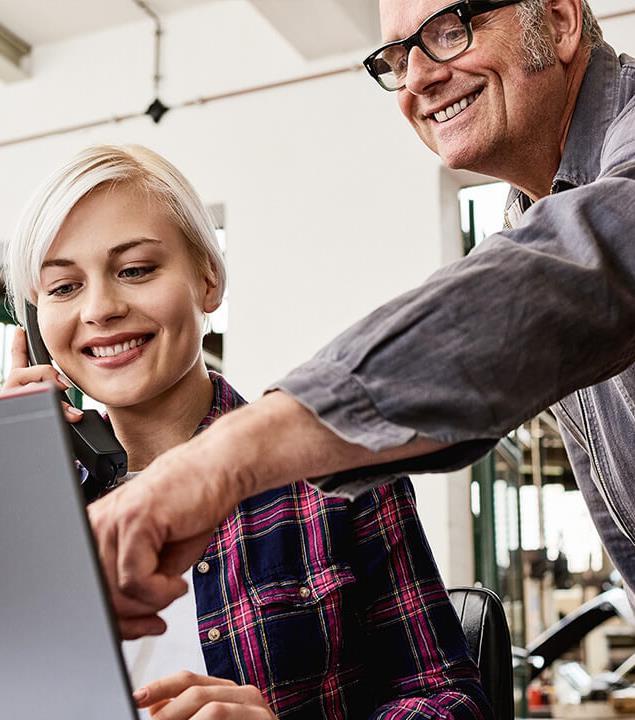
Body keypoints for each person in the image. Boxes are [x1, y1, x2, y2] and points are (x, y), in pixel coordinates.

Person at [66, 0, 635, 636]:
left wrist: (220, 459)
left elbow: (587, 261)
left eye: (449, 31)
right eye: (395, 58)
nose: (416, 77)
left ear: (559, 21)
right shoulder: (524, 215)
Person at [2, 145, 493, 719]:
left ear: (208, 280)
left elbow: (450, 701)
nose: (101, 308)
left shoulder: (333, 470)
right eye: (63, 287)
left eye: (135, 269)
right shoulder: (29, 502)